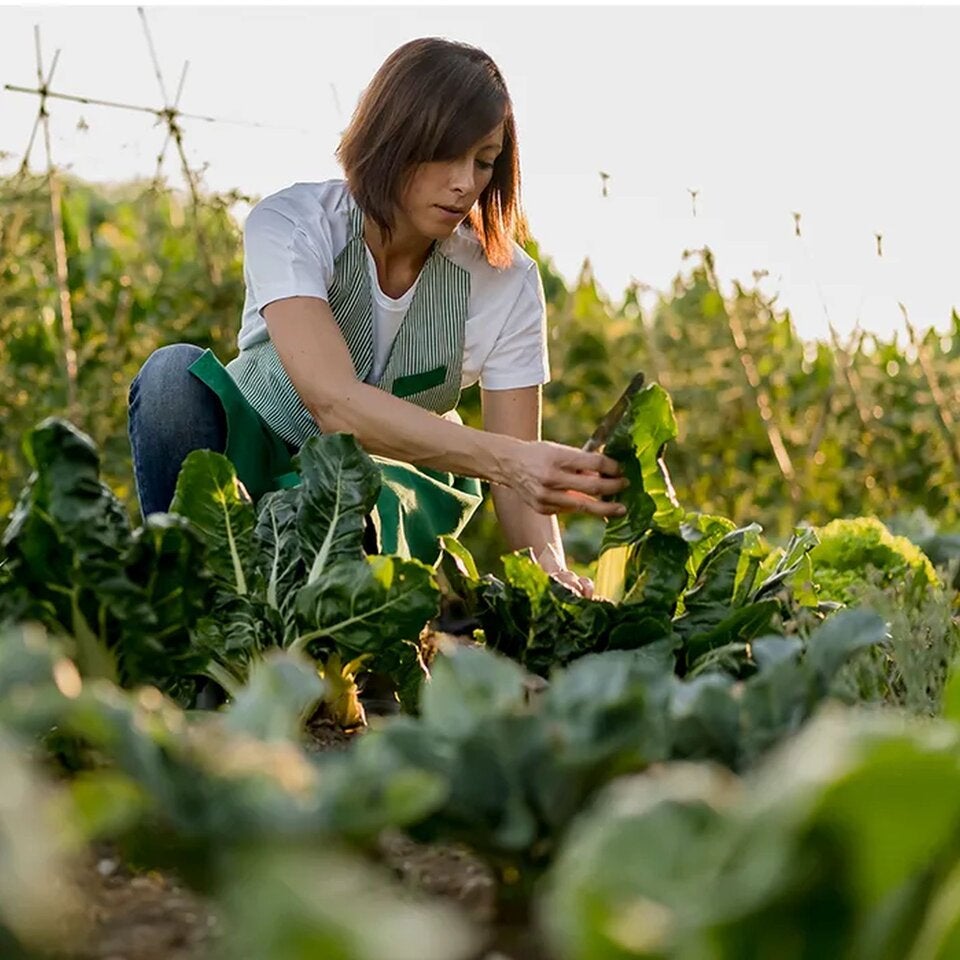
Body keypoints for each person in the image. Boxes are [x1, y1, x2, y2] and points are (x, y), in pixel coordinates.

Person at [127, 36, 627, 599]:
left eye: (484, 163)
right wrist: (513, 462)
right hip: (257, 452)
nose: (465, 183)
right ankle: (189, 607)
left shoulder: (506, 281)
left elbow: (520, 482)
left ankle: (363, 656)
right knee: (172, 376)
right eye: (446, 154)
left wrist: (549, 570)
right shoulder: (294, 223)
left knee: (358, 487)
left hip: (385, 495)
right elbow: (333, 401)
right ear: (393, 138)